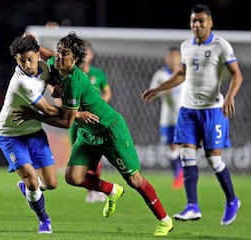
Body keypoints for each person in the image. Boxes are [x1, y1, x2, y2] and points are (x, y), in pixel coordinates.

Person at [13, 32, 174, 237]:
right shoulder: (57, 61)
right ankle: (111, 190)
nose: (59, 56)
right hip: (89, 133)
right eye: (59, 51)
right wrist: (33, 41)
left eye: (65, 53)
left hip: (110, 130)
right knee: (73, 177)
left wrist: (33, 114)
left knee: (134, 180)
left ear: (76, 59)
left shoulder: (74, 80)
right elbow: (46, 54)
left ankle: (164, 220)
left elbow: (66, 122)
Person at [142, 4, 243, 226]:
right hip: (188, 110)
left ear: (210, 23)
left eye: (201, 21)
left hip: (212, 110)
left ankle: (232, 200)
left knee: (214, 159)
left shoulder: (221, 45)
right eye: (193, 22)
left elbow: (237, 75)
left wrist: (230, 97)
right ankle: (192, 206)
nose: (196, 25)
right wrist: (159, 89)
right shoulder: (186, 46)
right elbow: (182, 74)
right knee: (186, 155)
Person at [0, 35, 61, 234]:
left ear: (38, 55)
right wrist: (75, 112)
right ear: (16, 60)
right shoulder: (22, 83)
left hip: (34, 133)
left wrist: (56, 87)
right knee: (32, 180)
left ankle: (30, 189)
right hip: (10, 135)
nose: (27, 64)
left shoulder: (44, 67)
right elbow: (48, 110)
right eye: (22, 61)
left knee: (51, 184)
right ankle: (44, 220)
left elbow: (54, 60)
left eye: (31, 59)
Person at [73, 40, 112, 203]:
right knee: (81, 158)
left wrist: (100, 106)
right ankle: (92, 191)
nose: (85, 54)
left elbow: (107, 92)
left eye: (87, 51)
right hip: (77, 122)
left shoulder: (98, 74)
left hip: (95, 122)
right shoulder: (73, 74)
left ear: (92, 55)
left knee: (95, 157)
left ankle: (98, 189)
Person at [148, 46, 184, 189]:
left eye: (175, 57)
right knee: (172, 148)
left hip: (183, 117)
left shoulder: (185, 73)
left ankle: (179, 175)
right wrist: (163, 92)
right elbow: (151, 95)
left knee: (179, 146)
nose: (173, 59)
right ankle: (179, 173)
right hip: (166, 117)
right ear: (166, 59)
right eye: (170, 57)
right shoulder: (160, 75)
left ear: (180, 58)